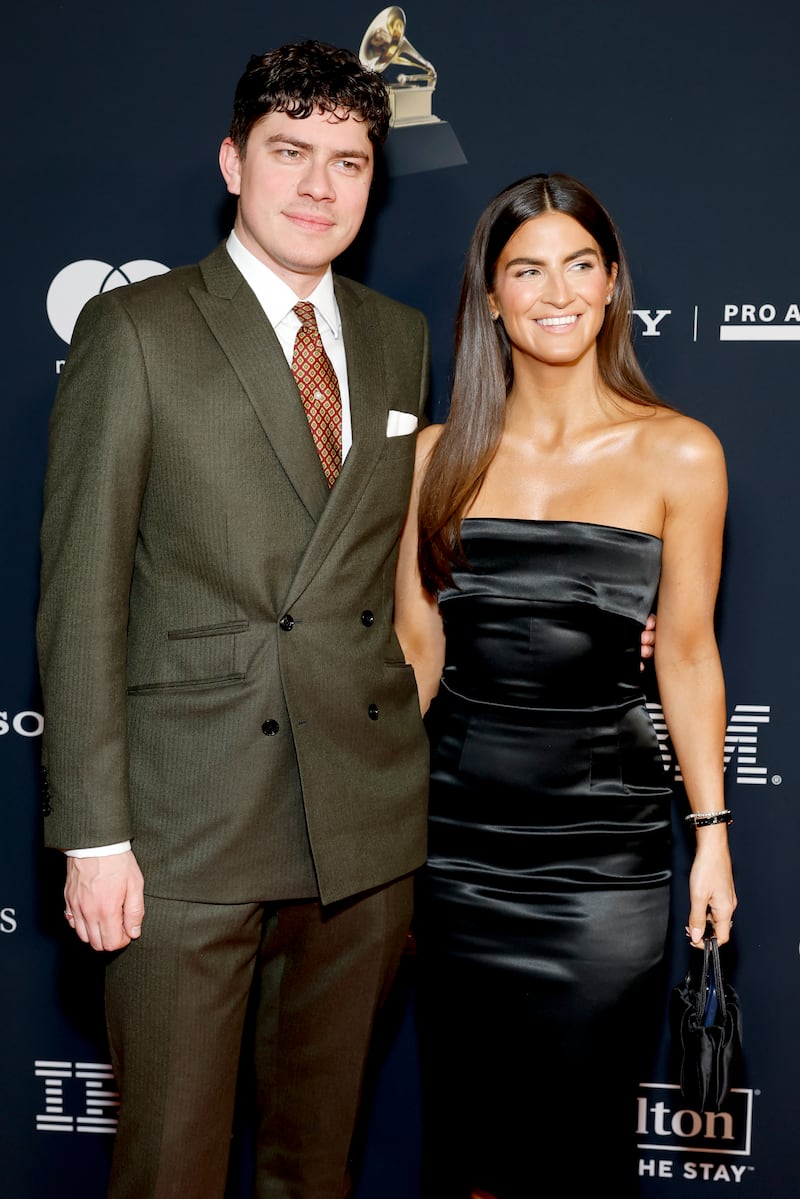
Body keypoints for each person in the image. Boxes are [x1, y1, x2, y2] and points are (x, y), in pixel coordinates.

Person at [36, 41, 432, 1199]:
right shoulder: (140, 329)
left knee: (318, 1161)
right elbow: (82, 590)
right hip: (182, 820)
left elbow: (394, 554)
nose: (319, 186)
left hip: (358, 820)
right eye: (290, 152)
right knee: (169, 1162)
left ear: (372, 181)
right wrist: (94, 831)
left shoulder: (396, 332)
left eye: (348, 161)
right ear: (233, 161)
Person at [393, 173, 737, 1198]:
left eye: (578, 264)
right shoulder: (430, 458)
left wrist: (711, 833)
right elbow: (415, 653)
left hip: (603, 864)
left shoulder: (678, 451)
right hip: (452, 854)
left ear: (611, 283)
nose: (556, 291)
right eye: (525, 269)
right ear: (489, 296)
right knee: (470, 1150)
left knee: (580, 1154)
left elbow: (683, 651)